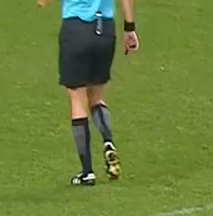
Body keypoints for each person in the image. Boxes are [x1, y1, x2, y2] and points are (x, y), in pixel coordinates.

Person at [40, 0, 139, 186]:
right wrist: (129, 28)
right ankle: (108, 141)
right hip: (105, 30)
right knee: (97, 96)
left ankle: (87, 172)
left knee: (77, 98)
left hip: (76, 29)